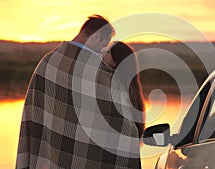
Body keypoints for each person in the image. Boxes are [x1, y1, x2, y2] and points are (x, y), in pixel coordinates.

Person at [16, 14, 118, 169]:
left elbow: (34, 117)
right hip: (83, 158)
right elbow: (113, 115)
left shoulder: (47, 62)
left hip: (47, 157)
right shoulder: (95, 69)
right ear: (96, 37)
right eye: (102, 46)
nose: (101, 52)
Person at [98, 41, 146, 169]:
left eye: (108, 52)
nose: (103, 54)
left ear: (116, 61)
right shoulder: (129, 86)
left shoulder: (113, 83)